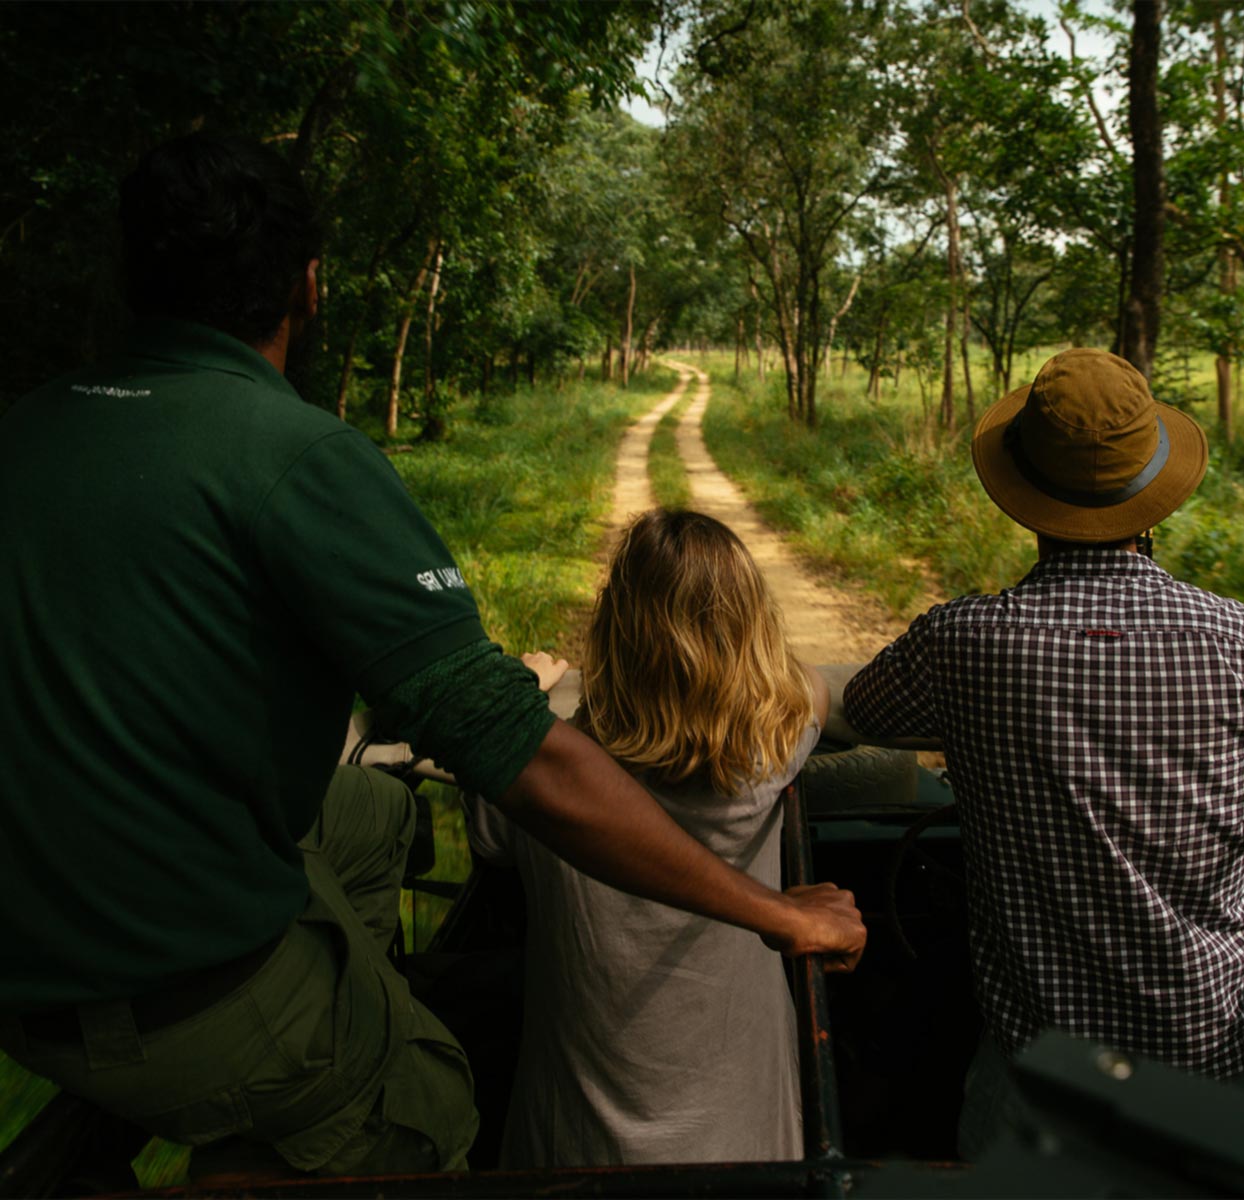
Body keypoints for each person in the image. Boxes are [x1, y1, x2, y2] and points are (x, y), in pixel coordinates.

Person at [0, 134, 862, 1181]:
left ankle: (344, 992)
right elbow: (519, 759)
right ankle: (304, 1095)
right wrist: (773, 910)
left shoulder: (27, 426)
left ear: (127, 277)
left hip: (27, 938)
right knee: (426, 1105)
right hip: (166, 980)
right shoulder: (299, 454)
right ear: (308, 288)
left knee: (377, 816)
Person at [841, 348, 1244, 1158]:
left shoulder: (964, 641)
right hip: (1213, 1050)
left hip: (1042, 1063)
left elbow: (864, 709)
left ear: (1025, 497)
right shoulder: (1240, 638)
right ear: (1154, 497)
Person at [464, 509, 826, 1167]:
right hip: (746, 1149)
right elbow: (811, 690)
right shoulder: (775, 751)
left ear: (613, 632)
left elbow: (490, 834)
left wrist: (528, 696)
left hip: (573, 1151)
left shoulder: (541, 787)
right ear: (752, 633)